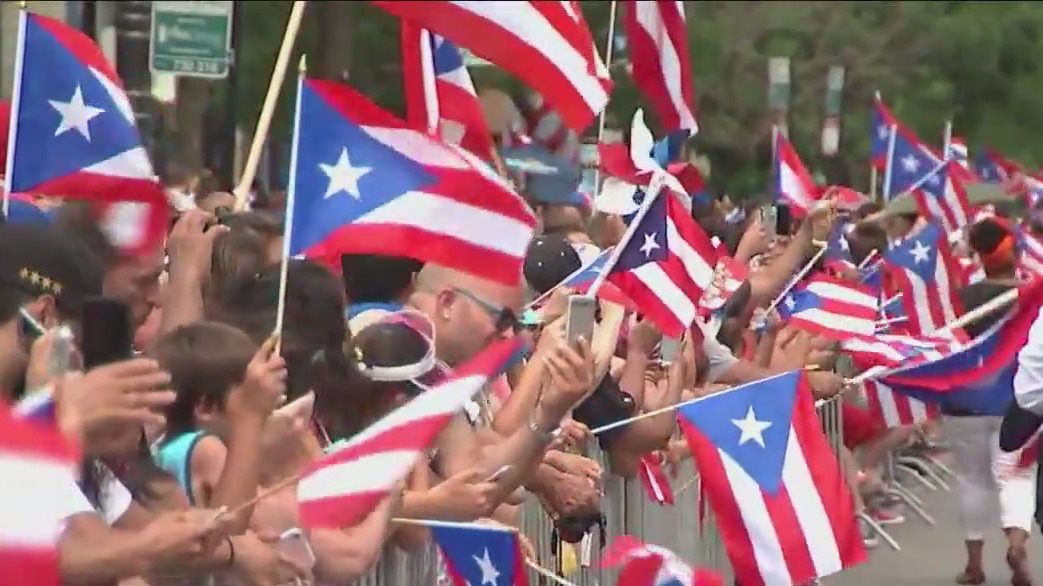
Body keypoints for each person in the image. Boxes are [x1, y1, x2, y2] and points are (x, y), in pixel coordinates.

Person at [946, 215, 1034, 586]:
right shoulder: (1031, 297)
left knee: (972, 480)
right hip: (1016, 401)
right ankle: (1016, 542)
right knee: (1017, 475)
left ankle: (974, 565)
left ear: (978, 255)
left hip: (963, 402)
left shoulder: (958, 300)